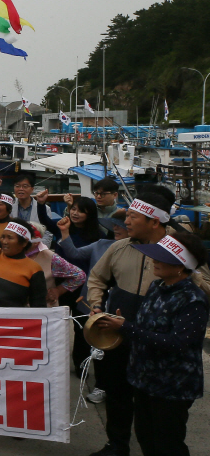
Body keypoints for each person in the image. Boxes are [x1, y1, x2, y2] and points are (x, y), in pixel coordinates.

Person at [94, 231, 209, 456]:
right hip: (144, 380)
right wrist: (120, 324)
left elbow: (177, 343)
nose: (153, 261)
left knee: (168, 444)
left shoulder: (193, 300)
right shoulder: (157, 287)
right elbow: (147, 327)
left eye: (161, 257)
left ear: (180, 266)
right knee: (146, 438)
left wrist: (126, 327)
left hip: (171, 387)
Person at [84, 193, 176, 456]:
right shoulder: (120, 247)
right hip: (116, 334)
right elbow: (97, 278)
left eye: (133, 216)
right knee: (117, 393)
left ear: (155, 221)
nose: (127, 220)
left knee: (152, 403)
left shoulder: (179, 250)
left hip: (155, 340)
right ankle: (117, 444)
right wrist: (97, 304)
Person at [58, 212, 129, 403]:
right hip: (94, 302)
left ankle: (124, 387)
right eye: (113, 224)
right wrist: (65, 232)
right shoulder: (101, 245)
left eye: (121, 224)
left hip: (124, 305)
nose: (116, 228)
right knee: (98, 346)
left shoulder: (142, 251)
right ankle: (100, 386)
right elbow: (74, 254)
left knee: (123, 348)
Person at [24, 222, 86, 308]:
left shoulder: (51, 258)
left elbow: (79, 275)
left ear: (36, 241)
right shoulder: (9, 254)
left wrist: (58, 290)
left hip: (43, 311)